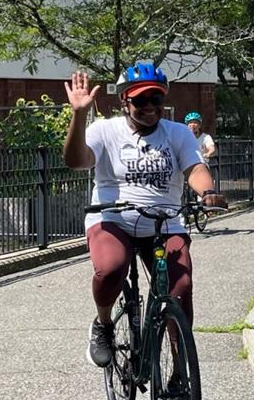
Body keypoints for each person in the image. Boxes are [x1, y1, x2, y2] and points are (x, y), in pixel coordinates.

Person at [62, 64, 227, 370]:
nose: (150, 107)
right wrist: (79, 114)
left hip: (164, 221)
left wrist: (207, 192)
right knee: (111, 268)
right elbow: (76, 161)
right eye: (141, 101)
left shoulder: (177, 133)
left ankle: (180, 367)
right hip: (114, 218)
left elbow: (195, 168)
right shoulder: (105, 131)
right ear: (125, 101)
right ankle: (104, 325)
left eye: (156, 100)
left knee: (180, 288)